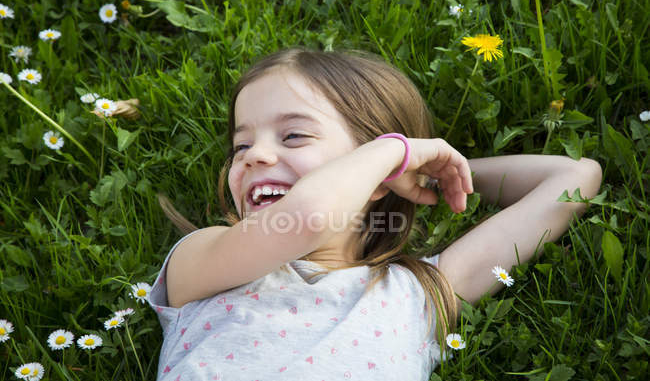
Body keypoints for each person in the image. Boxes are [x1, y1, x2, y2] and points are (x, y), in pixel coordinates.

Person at [148, 48, 602, 380]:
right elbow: (309, 218)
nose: (253, 156)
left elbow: (575, 179)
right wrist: (392, 153)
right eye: (241, 145)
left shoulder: (421, 292)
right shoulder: (207, 262)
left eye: (292, 137)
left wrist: (424, 173)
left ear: (376, 174)